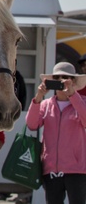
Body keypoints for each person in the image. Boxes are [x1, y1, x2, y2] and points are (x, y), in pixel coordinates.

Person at [27, 61, 86, 204]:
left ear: (73, 81)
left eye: (65, 77)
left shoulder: (82, 101)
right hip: (51, 169)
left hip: (77, 170)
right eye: (57, 77)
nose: (61, 81)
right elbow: (31, 124)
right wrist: (38, 97)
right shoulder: (46, 104)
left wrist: (73, 95)